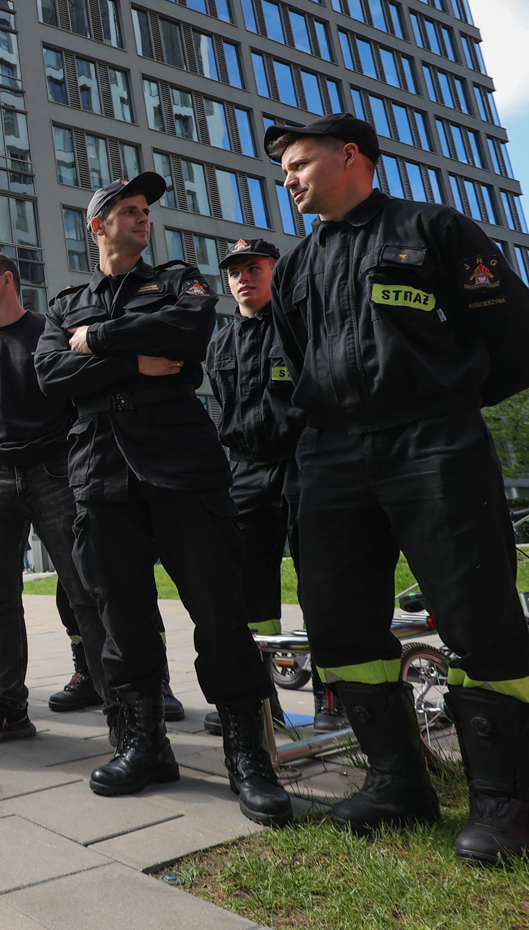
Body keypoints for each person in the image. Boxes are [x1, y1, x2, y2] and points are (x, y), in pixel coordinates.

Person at [267, 114, 529, 863]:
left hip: (433, 440)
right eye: (283, 170)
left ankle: (506, 806)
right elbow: (296, 363)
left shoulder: (434, 230)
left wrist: (448, 401)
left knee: (476, 612)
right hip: (332, 453)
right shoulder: (294, 267)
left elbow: (519, 343)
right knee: (337, 621)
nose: (287, 179)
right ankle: (397, 782)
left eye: (299, 164)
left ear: (350, 156)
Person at [35, 175, 292, 826]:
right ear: (97, 225)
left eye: (145, 210)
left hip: (183, 467)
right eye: (128, 210)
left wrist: (97, 341)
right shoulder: (65, 304)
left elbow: (188, 329)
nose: (142, 217)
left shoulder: (178, 281)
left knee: (220, 611)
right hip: (100, 472)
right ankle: (144, 746)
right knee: (122, 619)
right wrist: (134, 360)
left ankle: (247, 755)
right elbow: (51, 375)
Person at [0, 255, 113, 745]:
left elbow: (76, 398)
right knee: (1, 598)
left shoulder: (48, 332)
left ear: (7, 280)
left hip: (54, 473)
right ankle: (12, 710)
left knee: (84, 590)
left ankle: (121, 713)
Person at [201, 239, 323, 734]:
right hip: (245, 471)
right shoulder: (219, 344)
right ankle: (262, 703)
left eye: (254, 268)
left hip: (304, 461)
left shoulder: (301, 324)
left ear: (277, 271)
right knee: (246, 589)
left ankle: (334, 697)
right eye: (234, 272)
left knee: (321, 580)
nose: (243, 279)